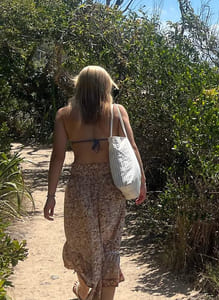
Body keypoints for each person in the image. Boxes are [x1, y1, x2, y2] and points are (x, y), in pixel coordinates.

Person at [43, 65, 146, 300]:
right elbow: (132, 148)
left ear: (79, 86)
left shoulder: (65, 115)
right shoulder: (118, 112)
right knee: (109, 246)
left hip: (80, 186)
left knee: (81, 242)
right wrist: (142, 183)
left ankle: (83, 289)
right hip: (111, 187)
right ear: (106, 86)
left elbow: (58, 157)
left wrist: (51, 196)